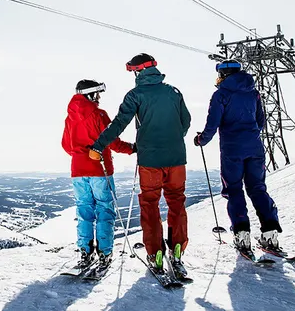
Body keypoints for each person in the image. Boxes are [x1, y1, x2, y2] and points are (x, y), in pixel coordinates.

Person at [89, 54, 191, 273]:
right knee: (176, 202)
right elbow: (186, 121)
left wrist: (98, 146)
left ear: (137, 72)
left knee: (150, 204)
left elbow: (119, 124)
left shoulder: (135, 95)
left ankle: (155, 254)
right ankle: (177, 251)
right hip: (177, 159)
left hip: (150, 161)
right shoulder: (173, 92)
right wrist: (173, 139)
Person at [193, 59, 282, 253]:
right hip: (255, 148)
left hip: (232, 150)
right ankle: (271, 233)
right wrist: (248, 135)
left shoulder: (220, 95)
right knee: (258, 188)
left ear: (224, 75)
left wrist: (201, 140)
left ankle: (242, 234)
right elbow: (260, 121)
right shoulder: (254, 93)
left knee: (233, 190)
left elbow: (212, 124)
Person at [62, 79, 135, 269]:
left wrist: (80, 154)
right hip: (100, 169)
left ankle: (85, 251)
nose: (99, 97)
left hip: (78, 170)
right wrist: (133, 148)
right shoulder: (98, 114)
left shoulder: (70, 117)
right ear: (91, 94)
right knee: (104, 209)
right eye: (97, 93)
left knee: (84, 209)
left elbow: (66, 145)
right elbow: (112, 141)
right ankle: (104, 252)